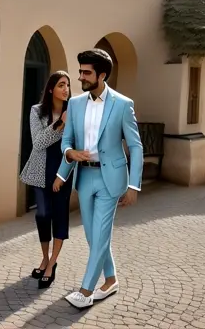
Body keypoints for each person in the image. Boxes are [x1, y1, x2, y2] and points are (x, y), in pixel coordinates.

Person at [52, 48, 143, 309]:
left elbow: (135, 146)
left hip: (110, 178)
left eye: (86, 72)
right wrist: (68, 157)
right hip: (84, 177)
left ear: (101, 75)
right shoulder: (76, 104)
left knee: (101, 233)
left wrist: (133, 185)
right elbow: (66, 141)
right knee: (94, 237)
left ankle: (86, 290)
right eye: (80, 71)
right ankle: (111, 279)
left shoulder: (123, 104)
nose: (80, 77)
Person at [19, 70, 74, 289]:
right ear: (51, 88)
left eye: (68, 85)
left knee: (60, 216)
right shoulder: (37, 111)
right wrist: (60, 123)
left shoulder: (75, 112)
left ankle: (52, 263)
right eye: (61, 85)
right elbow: (38, 142)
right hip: (40, 172)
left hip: (62, 171)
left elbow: (75, 143)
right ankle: (44, 257)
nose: (66, 89)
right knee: (43, 215)